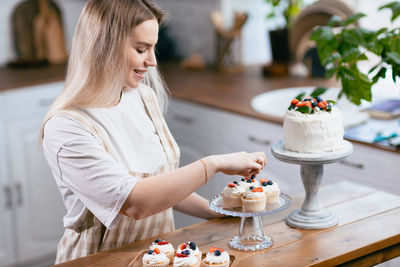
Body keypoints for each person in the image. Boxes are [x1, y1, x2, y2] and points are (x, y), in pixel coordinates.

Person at [40, 0, 267, 264]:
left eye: (153, 48)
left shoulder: (142, 96)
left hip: (157, 256)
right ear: (104, 46)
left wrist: (216, 211)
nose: (152, 61)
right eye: (141, 49)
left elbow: (163, 183)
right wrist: (213, 164)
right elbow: (136, 203)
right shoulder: (67, 127)